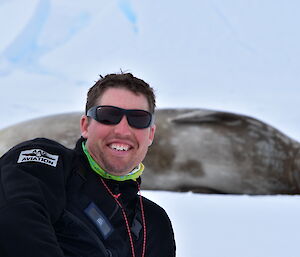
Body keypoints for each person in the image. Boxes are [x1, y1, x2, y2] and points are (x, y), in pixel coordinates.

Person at [0, 73, 176, 257]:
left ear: (150, 134)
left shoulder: (154, 224)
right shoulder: (45, 165)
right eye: (108, 116)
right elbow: (16, 221)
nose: (123, 130)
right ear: (85, 126)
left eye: (139, 119)